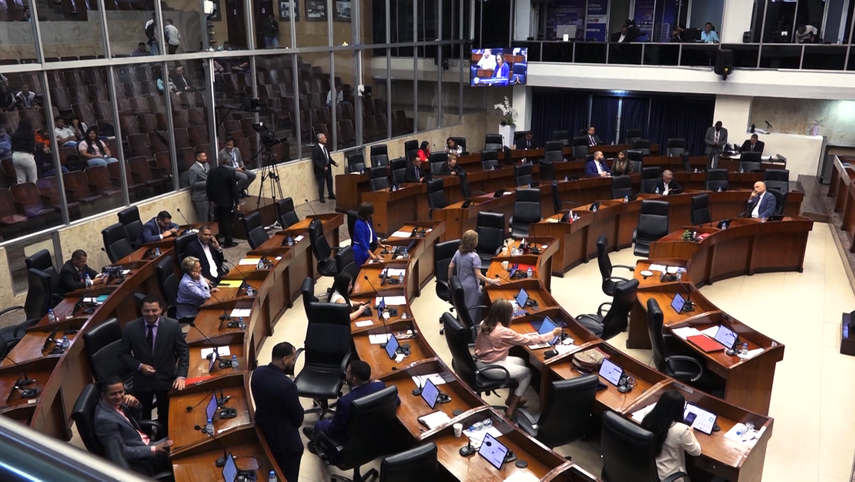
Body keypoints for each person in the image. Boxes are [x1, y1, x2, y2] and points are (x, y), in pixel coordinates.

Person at [475, 299, 561, 417]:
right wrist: (553, 334)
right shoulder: (503, 332)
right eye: (511, 314)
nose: (512, 316)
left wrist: (524, 336)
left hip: (482, 362)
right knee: (527, 373)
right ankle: (511, 409)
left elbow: (510, 339)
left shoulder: (484, 323)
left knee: (521, 361)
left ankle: (510, 398)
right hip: (493, 367)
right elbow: (529, 341)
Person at [119, 295, 189, 433]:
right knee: (142, 418)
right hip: (142, 381)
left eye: (154, 310)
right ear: (141, 310)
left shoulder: (172, 326)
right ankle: (147, 445)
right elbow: (122, 355)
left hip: (166, 379)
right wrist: (140, 366)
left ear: (161, 309)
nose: (150, 314)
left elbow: (183, 352)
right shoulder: (130, 328)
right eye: (147, 311)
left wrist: (181, 376)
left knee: (166, 416)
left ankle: (163, 441)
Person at [304, 360, 400, 447]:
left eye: (347, 372)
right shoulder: (380, 386)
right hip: (373, 434)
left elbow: (332, 430)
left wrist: (324, 423)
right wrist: (377, 384)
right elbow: (397, 401)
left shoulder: (345, 402)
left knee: (320, 424)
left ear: (354, 379)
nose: (345, 373)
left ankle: (320, 445)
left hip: (350, 441)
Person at [94, 376, 174, 477]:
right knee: (182, 450)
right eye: (113, 394)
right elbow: (121, 452)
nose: (119, 396)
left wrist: (135, 405)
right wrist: (154, 449)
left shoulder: (113, 403)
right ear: (103, 394)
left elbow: (134, 422)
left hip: (145, 442)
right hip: (142, 456)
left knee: (180, 437)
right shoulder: (104, 421)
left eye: (121, 392)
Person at [251, 342, 304, 482]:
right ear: (285, 360)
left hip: (263, 430)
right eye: (293, 359)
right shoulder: (287, 385)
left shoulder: (258, 373)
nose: (293, 363)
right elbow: (298, 418)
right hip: (285, 445)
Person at [640, 390, 701, 481]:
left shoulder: (649, 415)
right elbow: (696, 451)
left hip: (647, 469)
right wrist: (691, 432)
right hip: (668, 476)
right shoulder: (681, 430)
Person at [448, 230, 500, 323]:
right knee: (472, 311)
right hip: (471, 288)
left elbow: (450, 266)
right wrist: (491, 281)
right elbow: (478, 275)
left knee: (461, 308)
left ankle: (461, 324)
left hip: (460, 284)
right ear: (474, 242)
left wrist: (450, 280)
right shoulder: (474, 256)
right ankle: (472, 333)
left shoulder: (458, 252)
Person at [207, 153, 241, 248]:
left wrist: (210, 199)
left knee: (217, 220)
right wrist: (237, 202)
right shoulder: (230, 173)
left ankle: (217, 239)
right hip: (227, 201)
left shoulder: (212, 171)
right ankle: (228, 241)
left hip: (215, 201)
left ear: (219, 161)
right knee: (227, 221)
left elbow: (208, 187)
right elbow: (234, 189)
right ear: (228, 162)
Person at [352, 202, 384, 267]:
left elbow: (372, 232)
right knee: (363, 269)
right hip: (360, 250)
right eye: (371, 213)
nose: (372, 215)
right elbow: (362, 241)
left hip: (367, 248)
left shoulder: (368, 220)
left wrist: (380, 244)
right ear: (366, 214)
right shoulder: (359, 224)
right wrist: (372, 255)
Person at [11, 118, 38, 183]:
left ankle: (21, 193)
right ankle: (33, 193)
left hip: (15, 156)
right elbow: (31, 148)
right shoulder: (30, 134)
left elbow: (12, 147)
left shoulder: (16, 134)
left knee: (20, 181)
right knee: (33, 180)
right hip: (26, 157)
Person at [311, 133, 336, 203]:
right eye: (324, 138)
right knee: (321, 183)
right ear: (320, 140)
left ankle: (331, 194)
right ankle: (321, 197)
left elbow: (328, 157)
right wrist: (322, 167)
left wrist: (334, 163)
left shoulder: (326, 147)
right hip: (320, 170)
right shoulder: (316, 149)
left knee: (330, 180)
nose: (326, 139)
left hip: (328, 168)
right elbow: (315, 160)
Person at [188, 149, 211, 222]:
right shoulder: (193, 169)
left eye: (205, 156)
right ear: (198, 158)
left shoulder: (207, 165)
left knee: (212, 215)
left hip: (209, 195)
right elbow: (193, 184)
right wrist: (207, 183)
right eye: (204, 156)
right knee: (204, 218)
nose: (206, 157)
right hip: (201, 197)